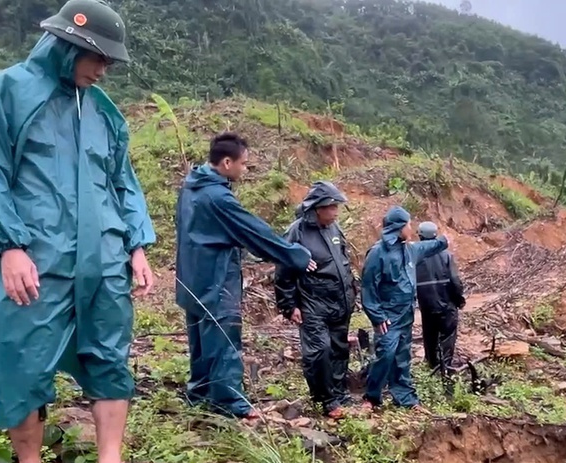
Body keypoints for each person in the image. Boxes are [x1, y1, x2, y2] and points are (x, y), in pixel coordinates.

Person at [0, 0, 168, 463]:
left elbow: (122, 181)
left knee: (109, 351)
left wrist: (136, 245)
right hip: (35, 257)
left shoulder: (103, 110)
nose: (103, 69)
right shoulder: (3, 94)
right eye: (97, 58)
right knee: (20, 355)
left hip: (102, 258)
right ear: (68, 45)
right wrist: (8, 244)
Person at [175, 132, 315, 421]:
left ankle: (200, 394)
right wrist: (296, 255)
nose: (246, 169)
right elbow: (254, 232)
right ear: (226, 162)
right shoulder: (218, 198)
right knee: (225, 339)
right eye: (244, 164)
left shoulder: (191, 188)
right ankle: (229, 402)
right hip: (216, 278)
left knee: (201, 341)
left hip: (192, 278)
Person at [274, 182, 357, 419]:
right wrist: (289, 305)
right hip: (313, 304)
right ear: (318, 208)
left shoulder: (334, 229)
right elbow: (283, 271)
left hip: (340, 302)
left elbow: (343, 262)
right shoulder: (297, 231)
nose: (336, 211)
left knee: (339, 349)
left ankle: (339, 393)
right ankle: (326, 399)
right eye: (332, 207)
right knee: (319, 350)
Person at [360, 207, 449, 411]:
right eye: (408, 224)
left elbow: (428, 247)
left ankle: (405, 397)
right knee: (386, 354)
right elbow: (368, 288)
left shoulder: (409, 250)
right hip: (388, 317)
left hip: (406, 314)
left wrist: (444, 241)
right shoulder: (377, 253)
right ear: (399, 227)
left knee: (402, 356)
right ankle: (371, 397)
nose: (411, 227)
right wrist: (377, 316)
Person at [414, 221, 466, 382]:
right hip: (446, 304)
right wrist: (460, 300)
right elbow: (455, 280)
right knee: (448, 335)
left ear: (420, 236)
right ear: (435, 235)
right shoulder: (446, 255)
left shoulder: (415, 255)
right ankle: (446, 368)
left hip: (426, 305)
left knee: (429, 335)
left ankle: (432, 364)